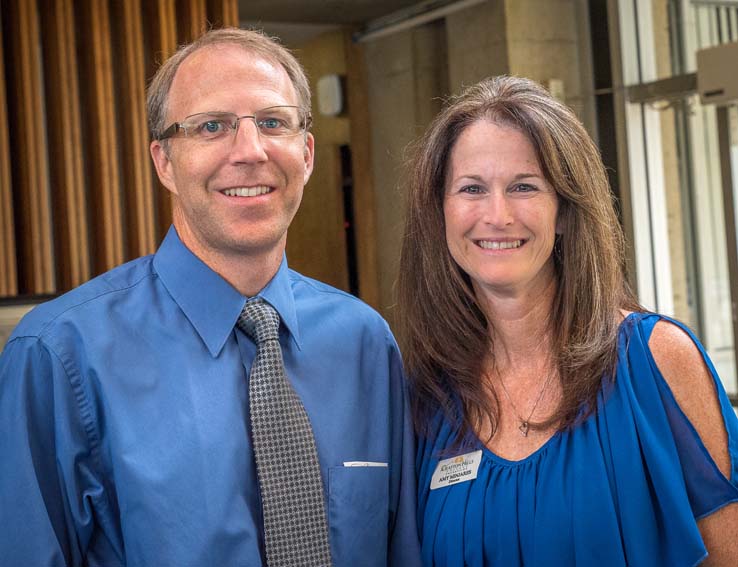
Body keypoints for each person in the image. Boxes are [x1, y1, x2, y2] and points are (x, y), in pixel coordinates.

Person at [0, 28, 420, 567]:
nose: (249, 151)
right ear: (164, 162)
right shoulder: (58, 356)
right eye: (211, 126)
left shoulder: (364, 342)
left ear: (307, 153)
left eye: (273, 122)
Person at [397, 75, 738, 566]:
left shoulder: (655, 360)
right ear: (441, 213)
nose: (497, 214)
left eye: (524, 187)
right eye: (472, 188)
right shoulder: (430, 398)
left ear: (564, 211)